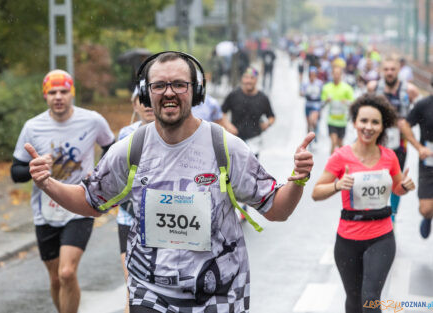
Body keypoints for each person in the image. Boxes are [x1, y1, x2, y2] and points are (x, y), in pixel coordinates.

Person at [23, 51, 315, 313]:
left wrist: (298, 180)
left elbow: (277, 209)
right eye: (159, 85)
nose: (169, 92)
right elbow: (89, 201)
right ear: (146, 93)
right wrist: (47, 183)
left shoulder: (225, 147)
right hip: (151, 295)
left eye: (179, 84)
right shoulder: (130, 149)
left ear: (196, 91)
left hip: (219, 296)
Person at [10, 69, 115, 313]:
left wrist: (99, 173)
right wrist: (34, 169)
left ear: (72, 94)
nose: (58, 97)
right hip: (46, 209)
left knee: (67, 273)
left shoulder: (92, 120)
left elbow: (112, 150)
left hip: (80, 204)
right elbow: (15, 172)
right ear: (45, 96)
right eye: (53, 92)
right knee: (56, 278)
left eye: (64, 91)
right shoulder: (32, 126)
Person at [312, 94, 415, 313]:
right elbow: (316, 192)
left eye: (375, 122)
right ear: (355, 123)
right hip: (348, 239)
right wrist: (337, 186)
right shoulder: (341, 157)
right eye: (364, 121)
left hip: (382, 237)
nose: (368, 127)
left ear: (382, 127)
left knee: (370, 299)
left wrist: (404, 187)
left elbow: (397, 188)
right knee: (354, 299)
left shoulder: (389, 157)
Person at [367, 55, 420, 222]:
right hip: (377, 142)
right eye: (386, 69)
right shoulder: (374, 87)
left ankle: (392, 217)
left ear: (399, 70)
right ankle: (377, 213)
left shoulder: (410, 90)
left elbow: (416, 114)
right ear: (382, 71)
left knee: (397, 180)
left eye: (393, 69)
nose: (389, 73)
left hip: (399, 143)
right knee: (374, 178)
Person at [116, 87, 155, 313]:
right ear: (135, 105)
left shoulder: (175, 134)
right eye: (143, 100)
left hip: (162, 220)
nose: (148, 104)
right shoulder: (125, 134)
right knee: (133, 288)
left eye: (151, 99)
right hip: (129, 217)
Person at [400, 82, 433, 238]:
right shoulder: (423, 105)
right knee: (425, 208)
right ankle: (428, 217)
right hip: (428, 163)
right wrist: (419, 147)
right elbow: (405, 125)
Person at [222, 66, 275, 159]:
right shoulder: (234, 95)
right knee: (234, 169)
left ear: (256, 80)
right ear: (242, 78)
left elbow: (271, 116)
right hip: (236, 138)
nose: (249, 81)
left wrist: (267, 124)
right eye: (246, 77)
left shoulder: (263, 98)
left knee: (251, 170)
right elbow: (221, 112)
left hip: (254, 140)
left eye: (252, 78)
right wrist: (228, 126)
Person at [321, 66, 355, 154]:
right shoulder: (327, 87)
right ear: (332, 74)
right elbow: (322, 103)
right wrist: (326, 100)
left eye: (338, 74)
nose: (336, 76)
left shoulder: (347, 88)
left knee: (340, 144)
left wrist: (346, 102)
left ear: (341, 75)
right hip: (331, 120)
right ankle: (331, 165)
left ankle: (341, 163)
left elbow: (353, 103)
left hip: (342, 121)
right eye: (334, 73)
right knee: (334, 142)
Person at [300, 66, 323, 142]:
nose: (312, 76)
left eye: (314, 74)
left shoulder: (319, 83)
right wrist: (304, 94)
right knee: (308, 124)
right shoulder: (305, 83)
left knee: (312, 121)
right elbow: (300, 93)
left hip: (316, 104)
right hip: (308, 104)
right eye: (311, 74)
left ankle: (315, 132)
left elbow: (323, 94)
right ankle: (308, 140)